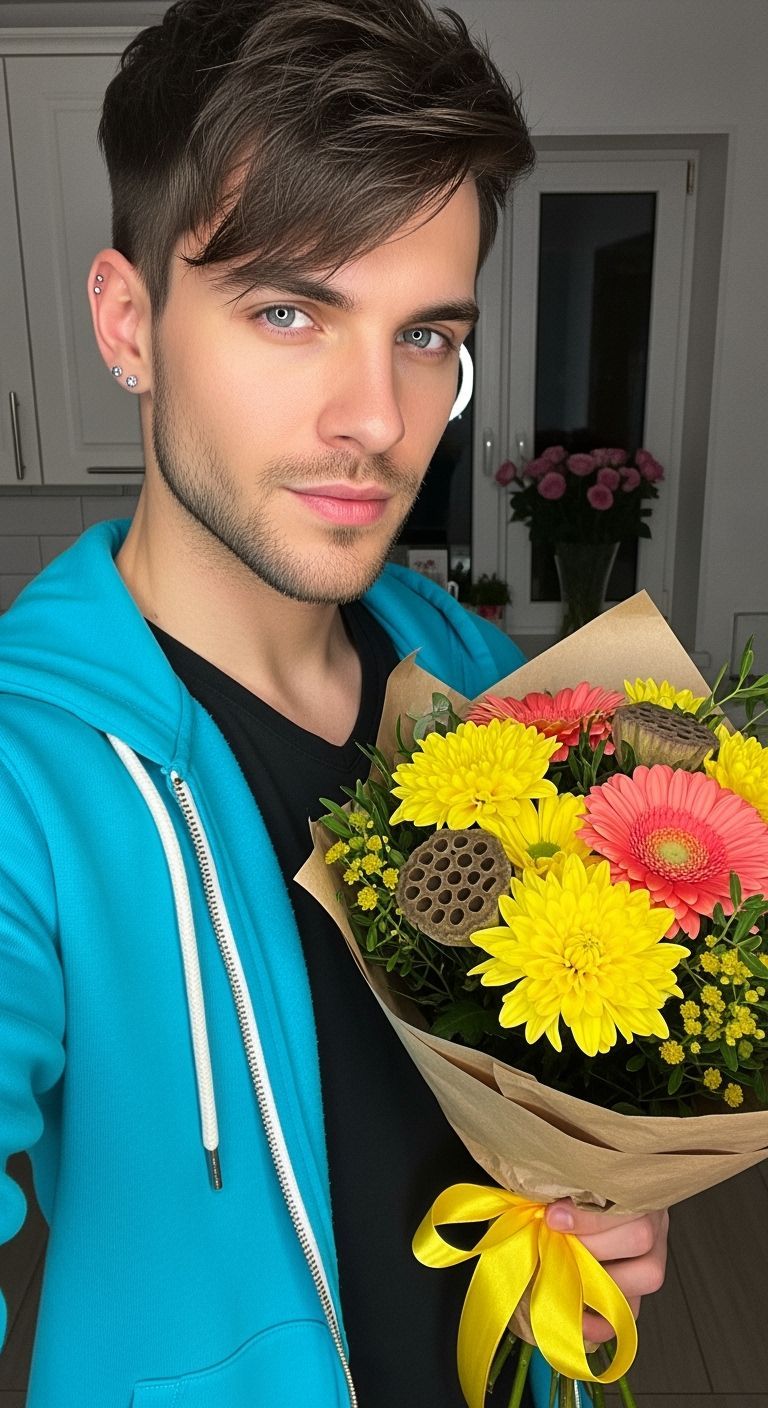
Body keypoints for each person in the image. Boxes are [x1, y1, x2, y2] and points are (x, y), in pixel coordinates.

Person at [0, 1, 669, 1403]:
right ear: (128, 324)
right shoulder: (24, 768)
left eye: (424, 335)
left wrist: (601, 1194)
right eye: (290, 312)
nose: (377, 418)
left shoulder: (484, 677)